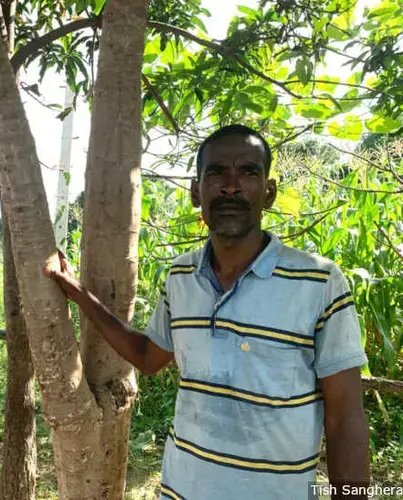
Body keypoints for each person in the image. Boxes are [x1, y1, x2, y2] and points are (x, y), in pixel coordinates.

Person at [44, 124, 370, 500]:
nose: (231, 185)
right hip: (183, 490)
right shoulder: (181, 276)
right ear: (196, 192)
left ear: (269, 192)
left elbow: (345, 419)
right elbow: (149, 357)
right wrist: (79, 293)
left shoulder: (319, 282)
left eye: (248, 171)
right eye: (216, 172)